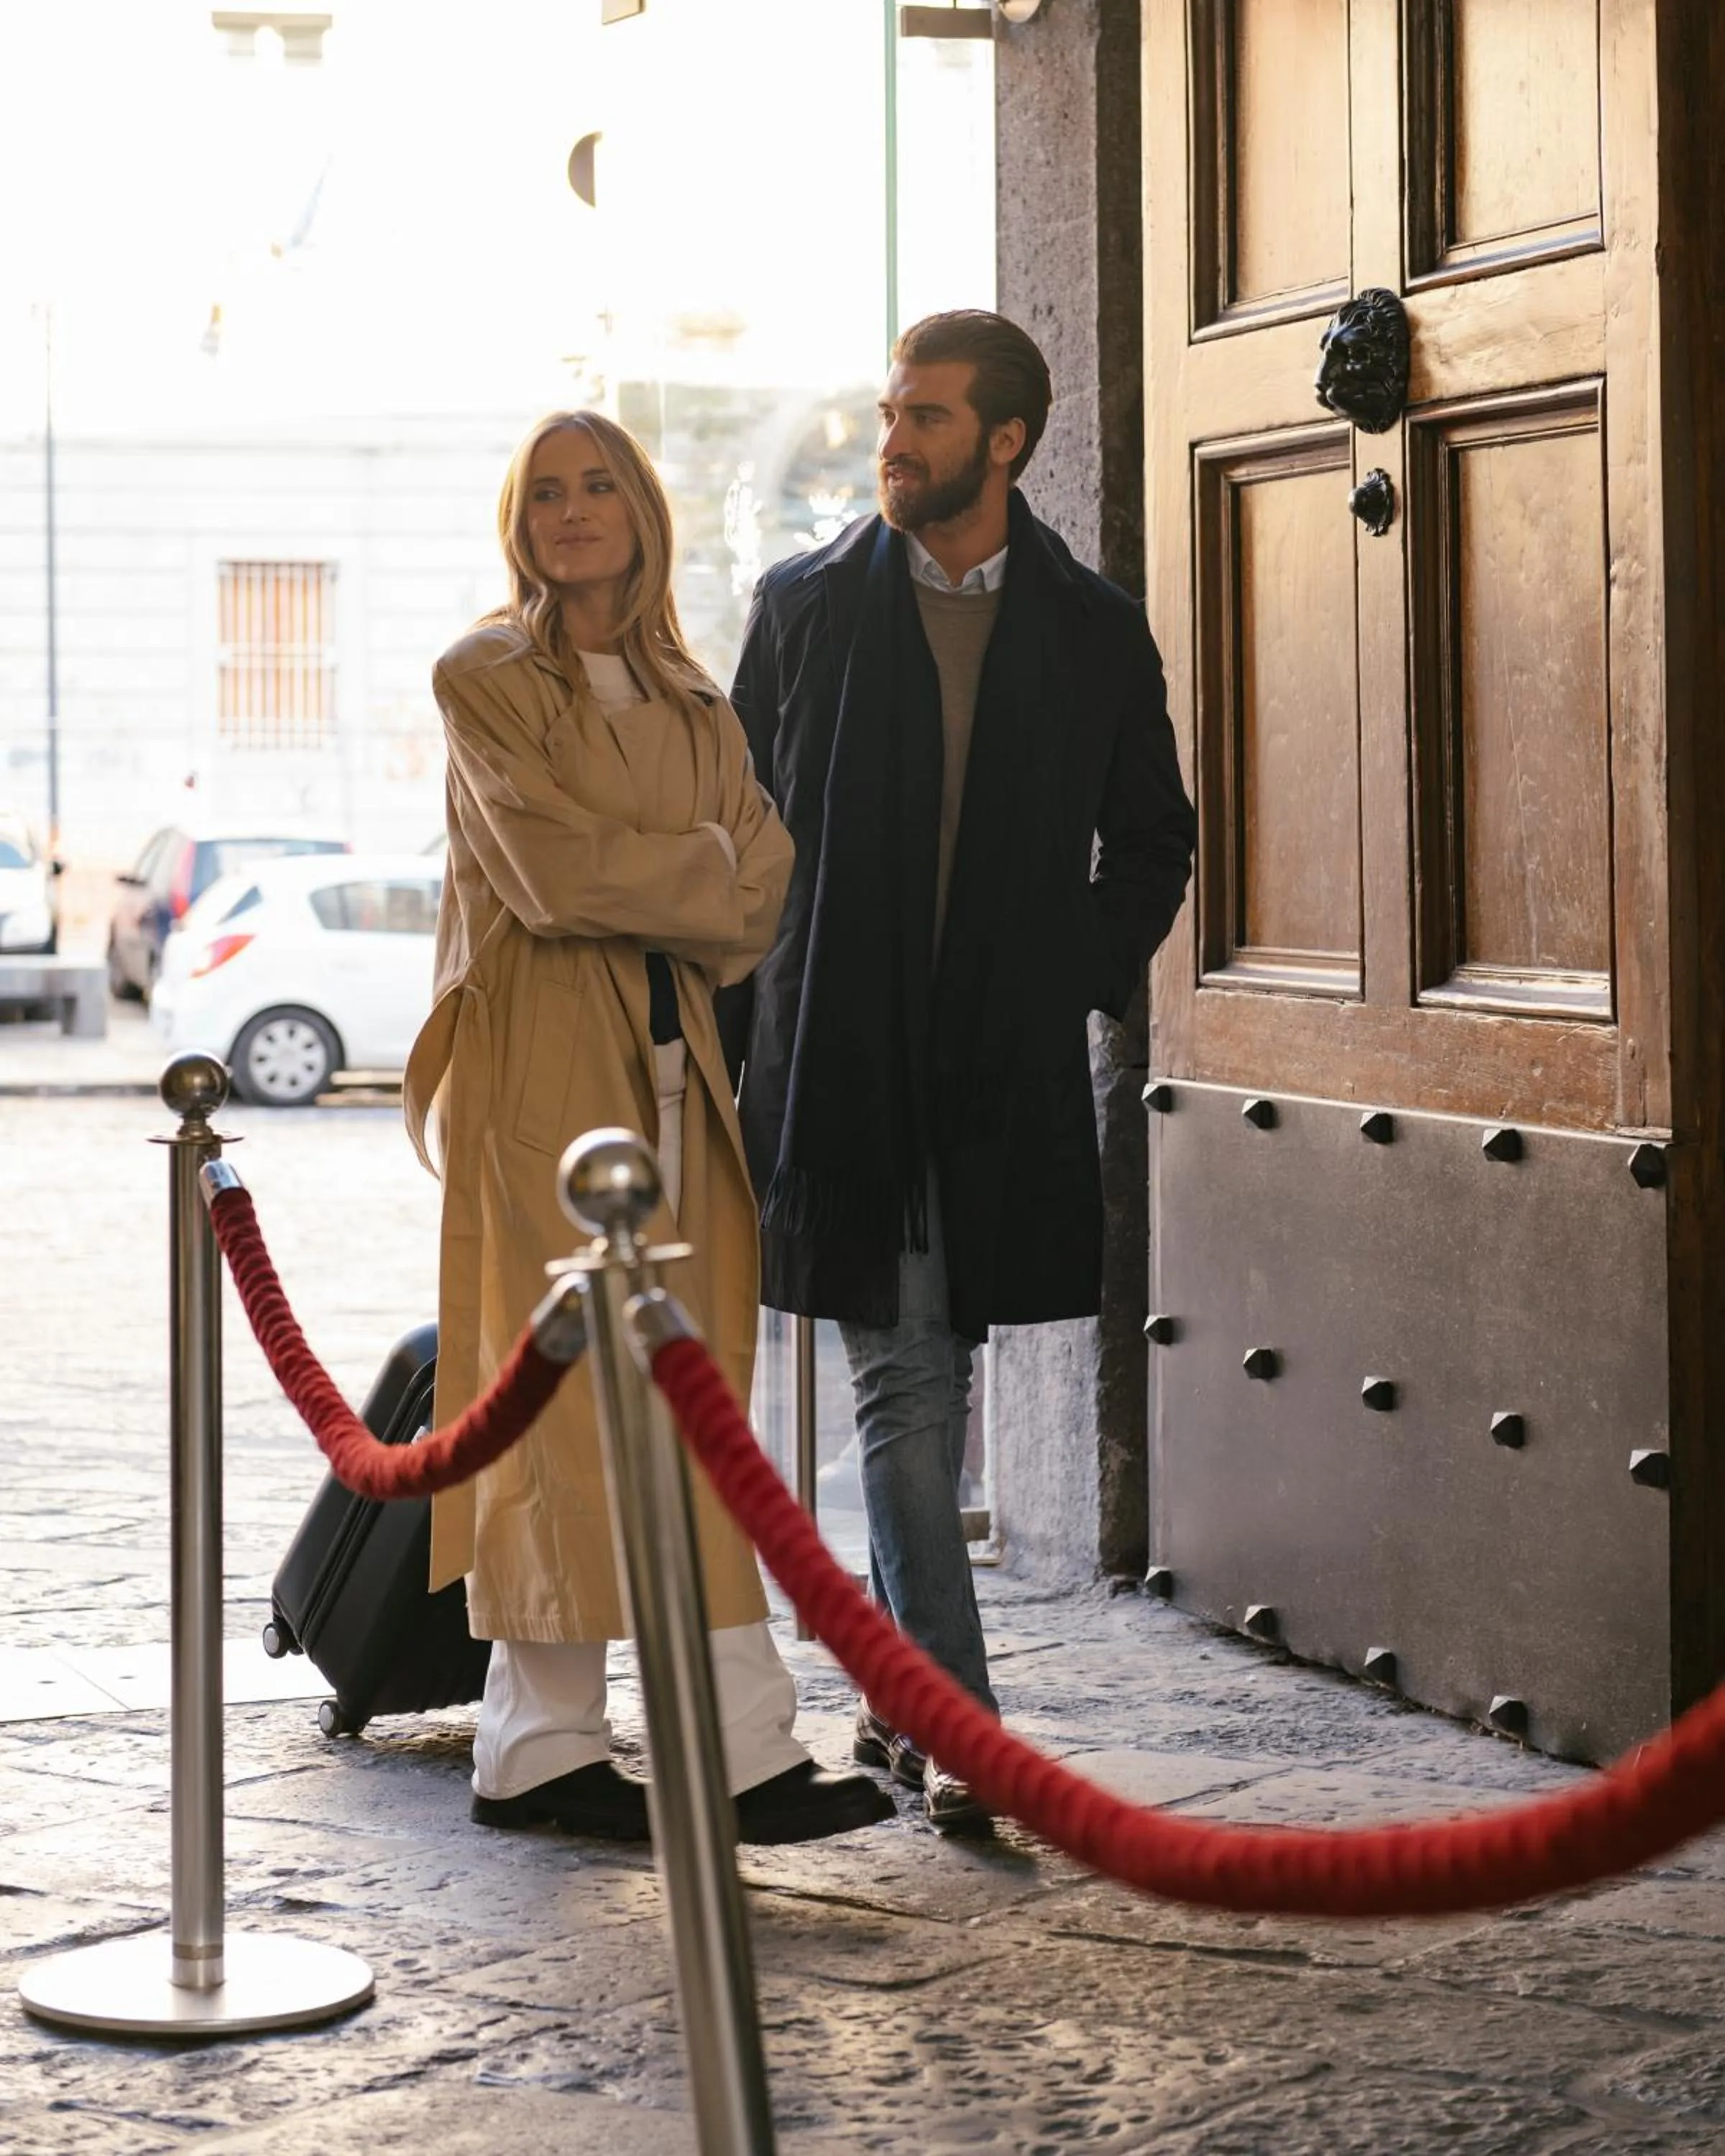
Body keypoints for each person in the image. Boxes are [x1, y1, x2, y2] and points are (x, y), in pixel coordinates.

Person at [722, 312, 1197, 1833]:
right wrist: (737, 1049)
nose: (892, 440)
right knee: (909, 1390)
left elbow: (1157, 844)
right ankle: (963, 1731)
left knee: (931, 1383)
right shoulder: (801, 611)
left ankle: (894, 1708)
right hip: (842, 1070)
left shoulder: (1093, 627)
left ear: (1004, 439)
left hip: (997, 1077)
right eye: (887, 412)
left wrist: (1064, 973)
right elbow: (731, 845)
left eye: (924, 416)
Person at [403, 410, 894, 1847]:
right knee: (559, 1411)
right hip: (547, 1074)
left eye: (599, 483)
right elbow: (555, 876)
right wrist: (694, 870)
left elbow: (767, 887)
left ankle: (737, 1744)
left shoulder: (691, 690)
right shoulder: (482, 676)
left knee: (696, 1408)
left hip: (686, 1075)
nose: (574, 510)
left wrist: (675, 876)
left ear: (642, 513)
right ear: (520, 522)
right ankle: (543, 1742)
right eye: (547, 491)